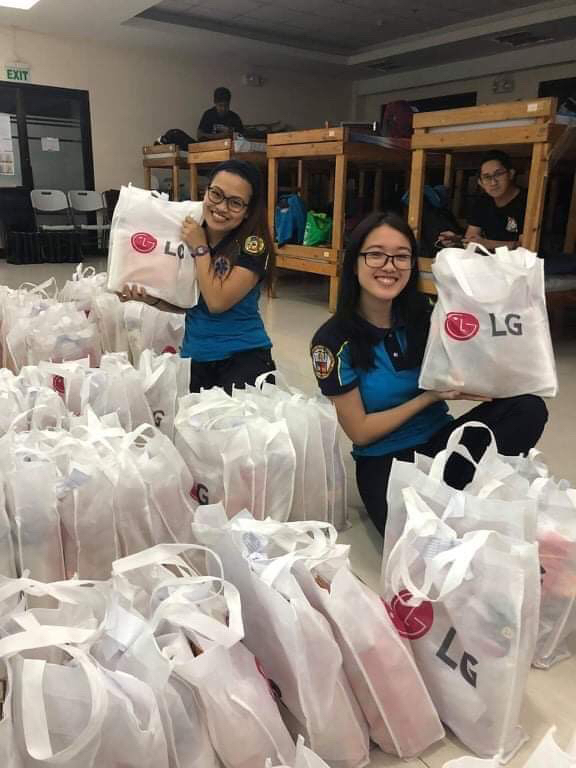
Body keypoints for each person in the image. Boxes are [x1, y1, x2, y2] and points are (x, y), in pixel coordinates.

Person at [310, 211, 547, 536]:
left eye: (401, 256)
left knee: (528, 407)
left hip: (442, 443)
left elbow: (480, 363)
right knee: (416, 537)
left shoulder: (429, 317)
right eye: (376, 254)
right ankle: (462, 501)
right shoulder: (332, 340)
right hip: (386, 461)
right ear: (355, 263)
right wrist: (431, 397)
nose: (389, 265)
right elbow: (360, 432)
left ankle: (462, 498)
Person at [119, 159, 275, 393]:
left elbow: (217, 302)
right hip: (196, 358)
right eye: (216, 194)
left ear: (247, 212)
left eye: (235, 203)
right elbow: (190, 303)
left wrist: (200, 249)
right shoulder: (189, 234)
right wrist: (148, 298)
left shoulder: (254, 246)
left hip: (243, 358)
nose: (221, 207)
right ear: (206, 191)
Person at [440, 150, 527, 250]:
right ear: (480, 183)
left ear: (511, 174)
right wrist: (457, 241)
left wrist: (488, 244)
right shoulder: (482, 202)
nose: (493, 182)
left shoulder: (527, 202)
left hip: (518, 263)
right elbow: (471, 240)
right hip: (487, 261)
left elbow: (526, 246)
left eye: (498, 174)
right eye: (487, 177)